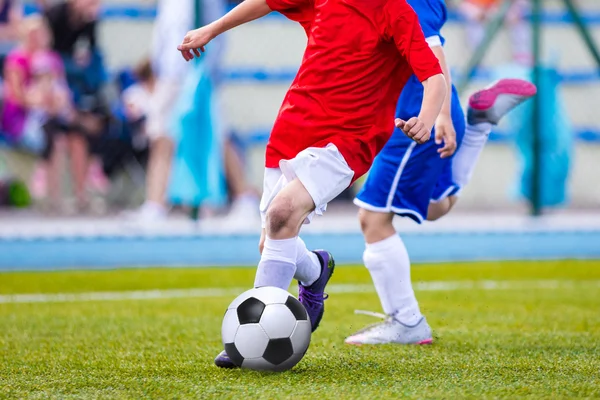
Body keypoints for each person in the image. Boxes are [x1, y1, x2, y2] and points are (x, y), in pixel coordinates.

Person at [177, 0, 448, 367]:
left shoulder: (395, 11)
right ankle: (316, 271)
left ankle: (252, 340)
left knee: (281, 213)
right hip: (292, 130)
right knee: (273, 238)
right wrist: (212, 28)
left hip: (348, 141)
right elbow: (265, 2)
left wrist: (427, 118)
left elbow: (434, 76)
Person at [344, 0, 537, 345]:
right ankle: (478, 126)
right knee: (435, 207)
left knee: (372, 219)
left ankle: (407, 322)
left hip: (417, 120)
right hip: (424, 116)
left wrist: (441, 115)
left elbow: (433, 54)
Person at [0, 15, 78, 209]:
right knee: (55, 138)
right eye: (33, 34)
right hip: (21, 120)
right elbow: (16, 97)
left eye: (41, 33)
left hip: (50, 117)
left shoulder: (52, 59)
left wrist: (54, 103)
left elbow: (62, 93)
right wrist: (41, 101)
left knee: (76, 135)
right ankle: (50, 195)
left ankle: (75, 194)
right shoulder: (16, 59)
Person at [460, 0, 531, 65]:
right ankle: (477, 63)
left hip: (499, 8)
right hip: (478, 8)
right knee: (474, 22)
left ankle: (523, 58)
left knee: (518, 20)